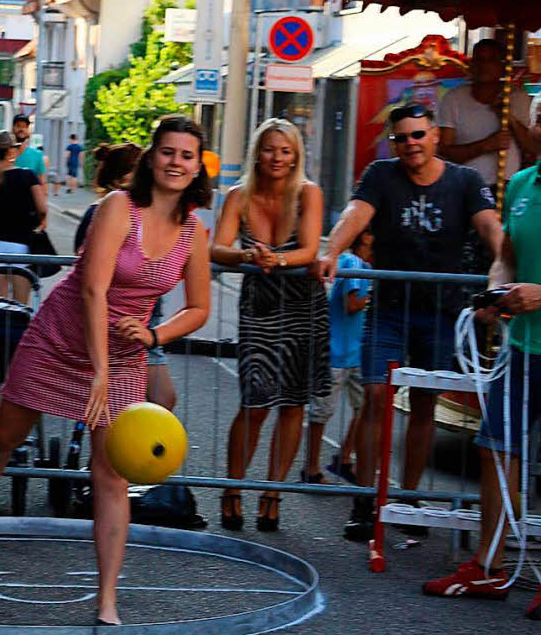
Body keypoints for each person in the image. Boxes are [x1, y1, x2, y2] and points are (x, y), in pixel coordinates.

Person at [0, 115, 212, 627]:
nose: (176, 162)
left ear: (198, 167)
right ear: (152, 159)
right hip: (63, 335)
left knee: (110, 473)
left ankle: (107, 600)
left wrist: (154, 336)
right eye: (168, 152)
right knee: (5, 434)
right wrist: (98, 370)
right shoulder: (118, 208)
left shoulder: (194, 231)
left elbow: (198, 309)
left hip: (124, 355)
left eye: (187, 155)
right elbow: (91, 290)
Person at [314, 103, 504, 542]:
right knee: (377, 397)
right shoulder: (382, 175)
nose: (411, 144)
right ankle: (366, 496)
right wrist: (331, 252)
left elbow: (490, 227)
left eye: (418, 135)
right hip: (389, 307)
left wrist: (503, 274)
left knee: (424, 403)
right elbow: (355, 215)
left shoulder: (465, 181)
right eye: (401, 138)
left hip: (440, 309)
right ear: (393, 142)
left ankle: (409, 496)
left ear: (435, 135)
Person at [422, 160, 541, 619]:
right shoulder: (524, 184)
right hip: (523, 347)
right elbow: (506, 254)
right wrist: (496, 292)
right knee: (494, 448)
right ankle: (489, 566)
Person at [211, 118, 329, 532]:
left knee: (293, 402)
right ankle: (232, 488)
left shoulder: (309, 193)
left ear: (296, 154)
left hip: (303, 306)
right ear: (256, 152)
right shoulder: (238, 196)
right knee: (254, 403)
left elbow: (311, 248)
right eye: (269, 149)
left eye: (285, 150)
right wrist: (246, 257)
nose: (277, 158)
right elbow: (218, 247)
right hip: (259, 305)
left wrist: (275, 259)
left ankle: (273, 493)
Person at [73, 142, 177, 409]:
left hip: (146, 328)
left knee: (162, 400)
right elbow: (86, 273)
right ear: (124, 176)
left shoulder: (160, 215)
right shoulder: (103, 211)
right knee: (114, 413)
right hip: (109, 326)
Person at [303, 228, 373, 485]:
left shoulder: (352, 262)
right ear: (366, 237)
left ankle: (344, 458)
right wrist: (374, 297)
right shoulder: (355, 263)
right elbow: (351, 304)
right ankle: (311, 469)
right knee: (322, 411)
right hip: (337, 352)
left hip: (353, 352)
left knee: (367, 406)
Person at [438, 39, 536, 191]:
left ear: (502, 66)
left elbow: (532, 147)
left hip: (508, 186)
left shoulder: (518, 98)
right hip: (466, 185)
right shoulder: (454, 98)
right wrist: (485, 145)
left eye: (491, 59)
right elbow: (445, 152)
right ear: (471, 65)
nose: (484, 65)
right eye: (479, 59)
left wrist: (509, 119)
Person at [0, 131, 48, 304]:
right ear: (11, 152)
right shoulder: (27, 176)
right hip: (21, 247)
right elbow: (42, 208)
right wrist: (39, 221)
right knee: (20, 307)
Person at [12, 114, 46, 187]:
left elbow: (42, 183)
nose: (21, 129)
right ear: (12, 129)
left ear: (28, 130)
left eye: (24, 127)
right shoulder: (5, 153)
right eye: (18, 126)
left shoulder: (37, 155)